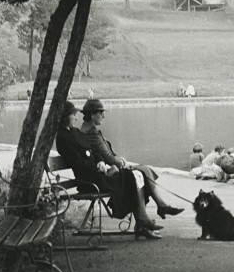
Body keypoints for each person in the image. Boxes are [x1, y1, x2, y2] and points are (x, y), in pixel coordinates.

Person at [55, 99, 184, 240]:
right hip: (90, 180)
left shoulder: (74, 132)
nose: (76, 117)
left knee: (134, 176)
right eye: (73, 114)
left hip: (97, 174)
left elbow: (93, 153)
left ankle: (143, 222)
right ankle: (143, 222)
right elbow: (78, 162)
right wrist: (99, 167)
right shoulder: (63, 137)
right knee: (132, 177)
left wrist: (100, 162)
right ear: (65, 116)